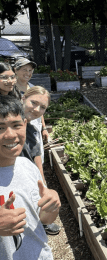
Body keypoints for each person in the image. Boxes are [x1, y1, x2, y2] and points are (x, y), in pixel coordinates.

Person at [0, 95, 61, 260]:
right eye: (0, 127)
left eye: (16, 125)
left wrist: (51, 207)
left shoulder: (26, 166)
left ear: (25, 124)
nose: (10, 135)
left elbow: (42, 219)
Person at [21, 86, 60, 235]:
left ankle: (38, 224)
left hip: (28, 179)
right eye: (34, 103)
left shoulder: (31, 129)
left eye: (42, 107)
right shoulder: (8, 124)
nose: (37, 109)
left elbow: (36, 155)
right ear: (23, 99)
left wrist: (42, 181)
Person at [14, 58, 49, 161]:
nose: (28, 73)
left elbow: (40, 109)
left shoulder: (33, 88)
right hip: (20, 129)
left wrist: (44, 128)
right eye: (24, 70)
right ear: (15, 70)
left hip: (36, 128)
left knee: (37, 155)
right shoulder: (11, 90)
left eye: (30, 71)